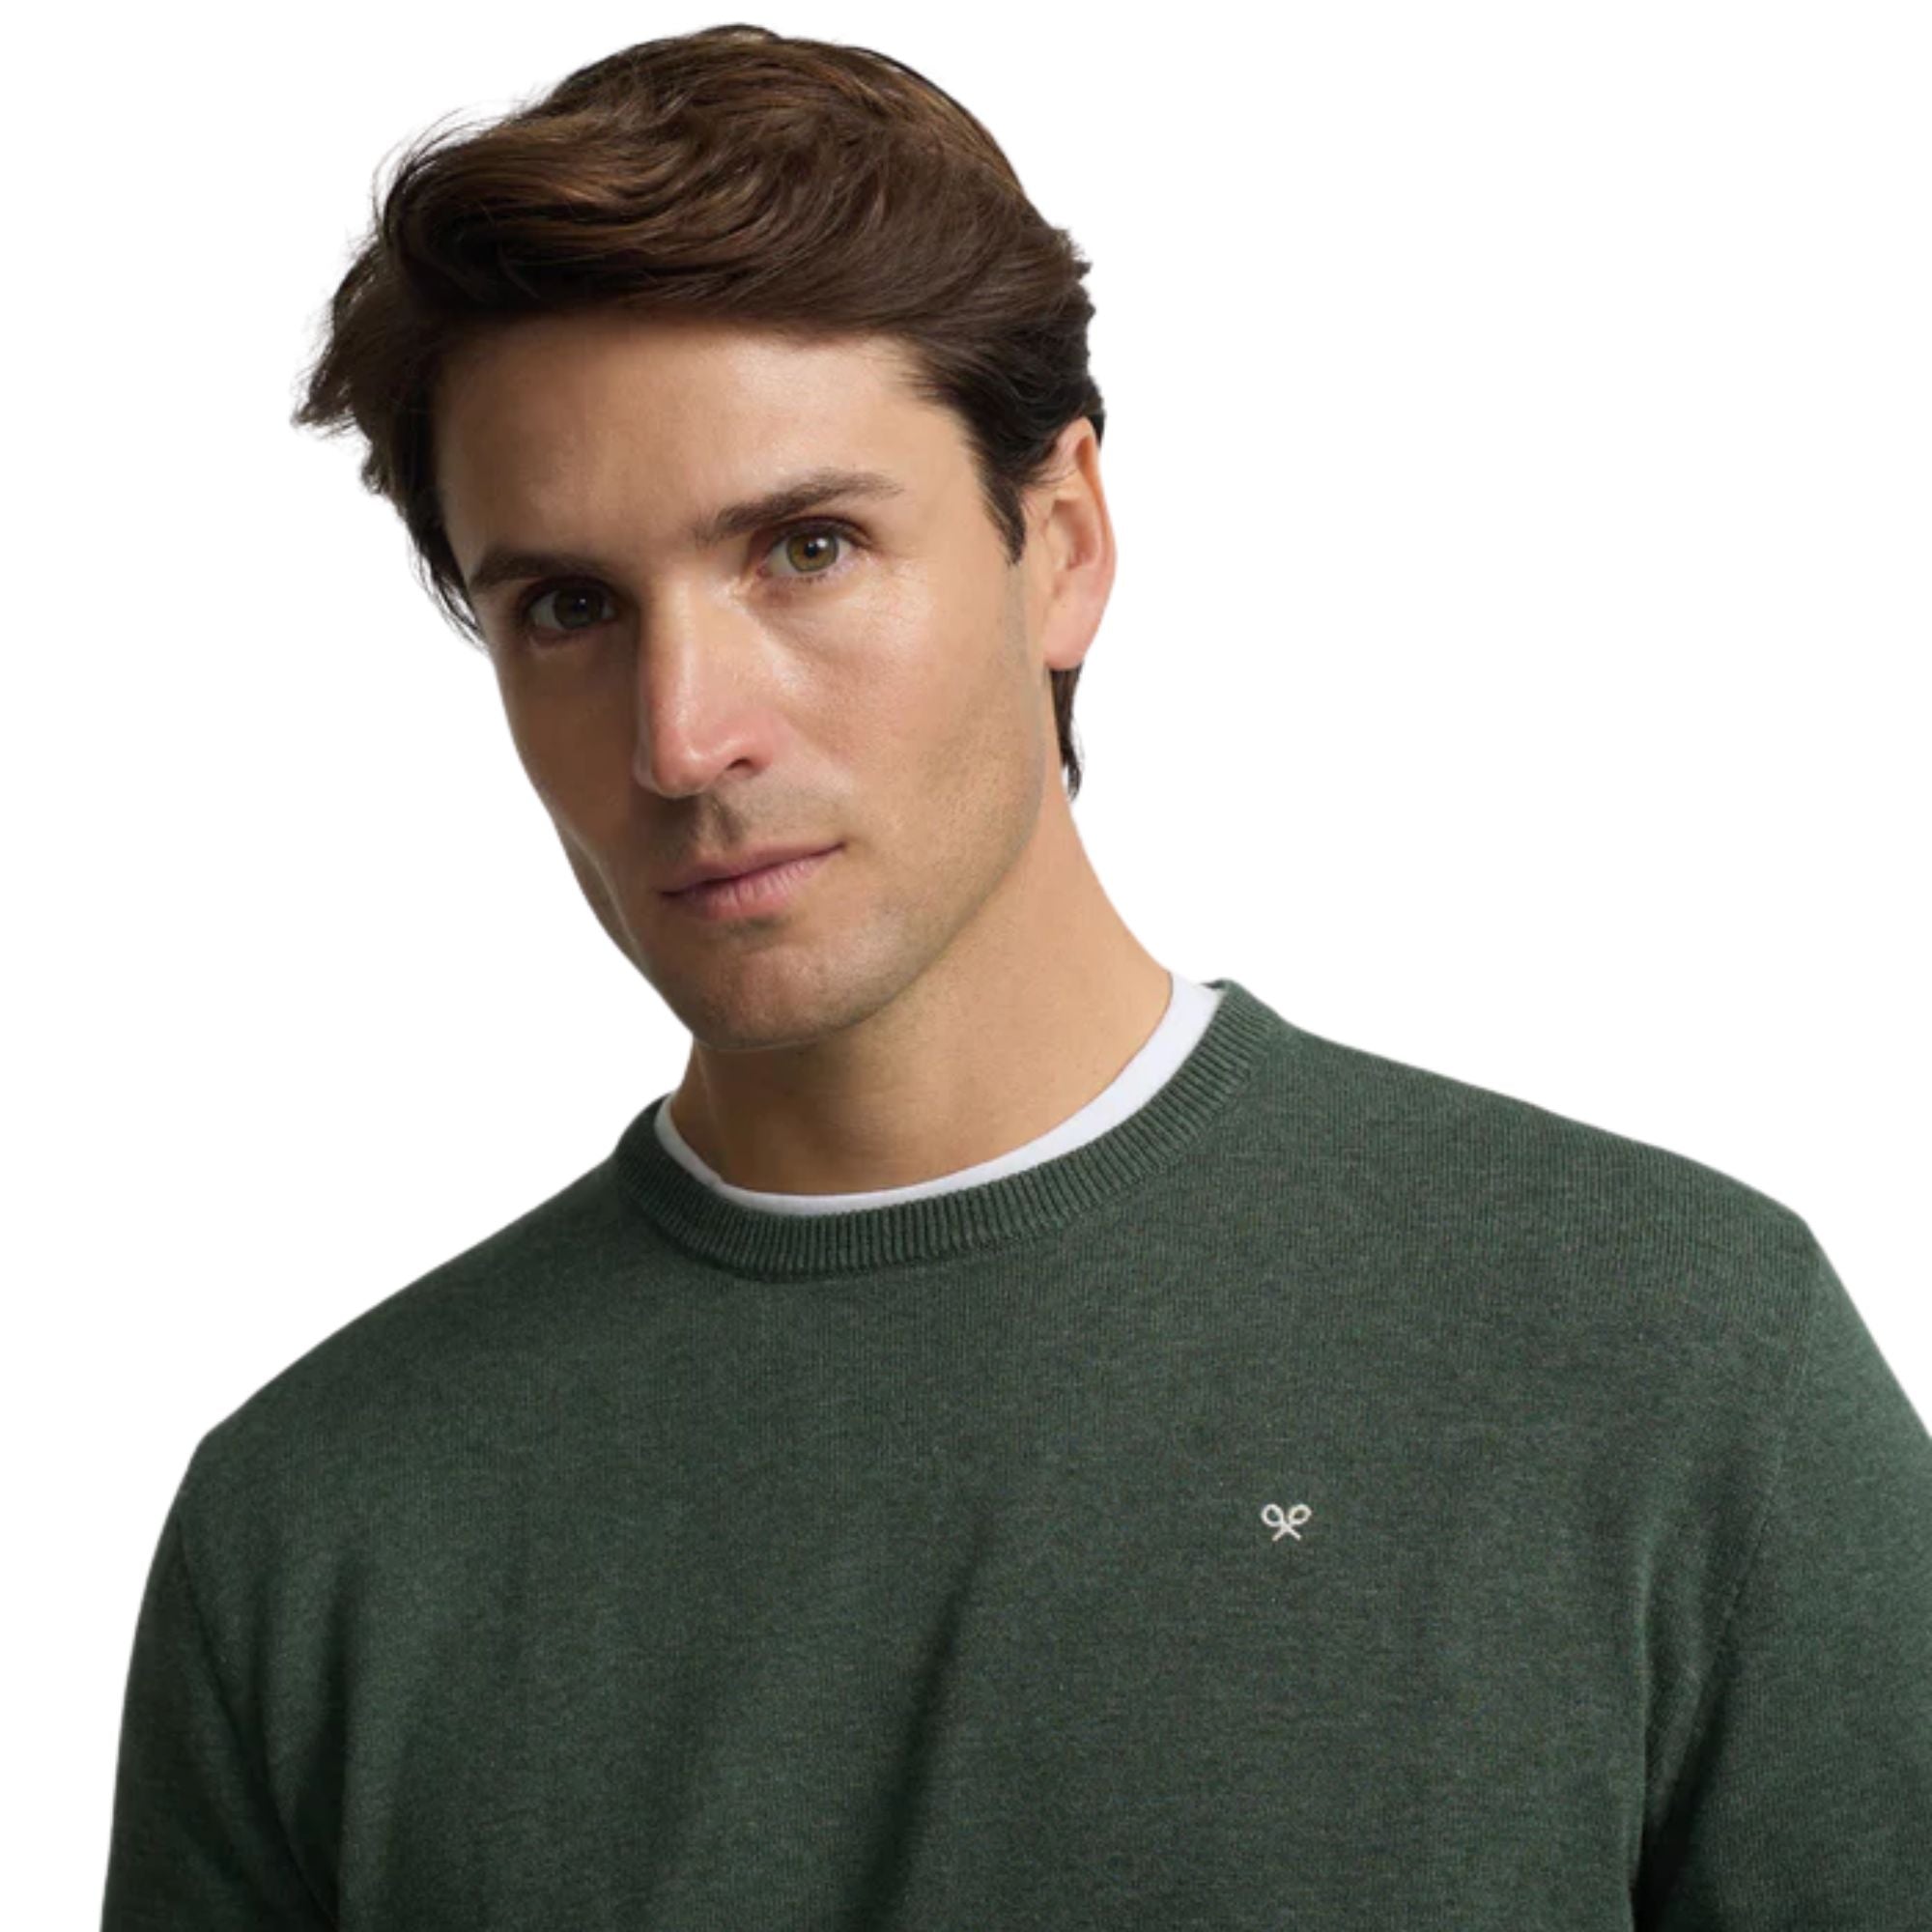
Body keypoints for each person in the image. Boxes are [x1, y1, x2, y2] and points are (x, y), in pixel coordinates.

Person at [99, 24, 1931, 1929]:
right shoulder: (321, 1530)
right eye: (566, 607)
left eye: (807, 547)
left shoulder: (1667, 1363)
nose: (683, 734)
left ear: (1059, 544)